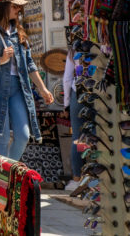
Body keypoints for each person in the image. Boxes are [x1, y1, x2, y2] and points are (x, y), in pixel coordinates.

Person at [0, 0, 54, 162]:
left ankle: (6, 173)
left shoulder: (18, 32)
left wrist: (44, 90)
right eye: (15, 6)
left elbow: (30, 64)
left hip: (18, 87)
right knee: (1, 137)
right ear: (4, 7)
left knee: (23, 135)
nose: (18, 10)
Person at [63, 49, 83, 192]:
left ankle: (77, 178)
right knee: (99, 136)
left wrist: (66, 103)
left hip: (79, 93)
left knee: (79, 138)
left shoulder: (73, 50)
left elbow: (67, 78)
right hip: (100, 93)